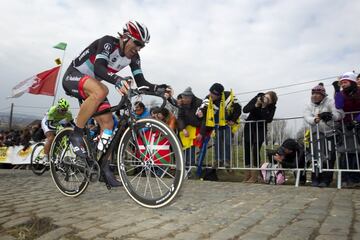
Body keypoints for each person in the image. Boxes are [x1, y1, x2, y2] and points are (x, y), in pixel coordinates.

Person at [62, 20, 172, 186]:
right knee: (102, 90)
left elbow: (141, 81)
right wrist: (118, 80)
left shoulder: (134, 57)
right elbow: (99, 67)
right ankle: (76, 134)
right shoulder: (108, 42)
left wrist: (158, 88)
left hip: (93, 86)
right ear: (126, 37)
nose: (138, 48)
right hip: (74, 75)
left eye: (142, 46)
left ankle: (103, 166)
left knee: (108, 125)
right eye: (137, 43)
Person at [303, 83, 344, 187]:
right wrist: (314, 119)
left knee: (329, 157)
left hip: (330, 134)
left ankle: (326, 179)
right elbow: (306, 116)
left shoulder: (330, 101)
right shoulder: (309, 105)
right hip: (316, 135)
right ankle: (315, 178)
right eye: (313, 94)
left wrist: (331, 116)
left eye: (317, 94)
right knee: (315, 157)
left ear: (323, 95)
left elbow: (339, 113)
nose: (314, 96)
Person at [197, 83, 242, 169]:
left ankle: (227, 161)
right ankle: (218, 160)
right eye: (210, 92)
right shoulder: (207, 98)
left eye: (213, 94)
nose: (211, 95)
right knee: (217, 142)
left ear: (219, 95)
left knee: (227, 142)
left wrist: (233, 119)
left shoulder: (229, 96)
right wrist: (201, 112)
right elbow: (203, 107)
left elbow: (238, 108)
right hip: (216, 124)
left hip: (227, 123)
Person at [243, 91, 277, 183]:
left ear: (271, 102)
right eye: (265, 97)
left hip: (261, 128)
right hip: (249, 126)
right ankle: (247, 174)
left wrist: (264, 107)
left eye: (268, 99)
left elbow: (268, 119)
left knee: (255, 148)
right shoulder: (257, 98)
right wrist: (256, 104)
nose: (264, 99)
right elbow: (245, 109)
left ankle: (255, 175)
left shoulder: (272, 107)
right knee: (246, 148)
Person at [333, 72, 360, 187]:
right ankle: (345, 178)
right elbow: (339, 106)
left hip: (357, 124)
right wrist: (337, 90)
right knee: (345, 152)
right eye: (342, 82)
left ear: (352, 82)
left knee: (357, 152)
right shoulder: (342, 93)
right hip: (345, 125)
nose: (343, 84)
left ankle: (356, 178)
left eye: (345, 82)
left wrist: (356, 121)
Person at [177, 87, 203, 173]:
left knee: (192, 149)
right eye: (182, 98)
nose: (183, 100)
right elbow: (180, 117)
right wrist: (183, 129)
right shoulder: (182, 104)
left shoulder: (199, 103)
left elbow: (204, 119)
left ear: (190, 98)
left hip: (196, 129)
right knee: (184, 149)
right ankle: (184, 169)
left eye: (185, 98)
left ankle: (191, 169)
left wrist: (202, 132)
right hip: (185, 130)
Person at [40, 98, 73, 164]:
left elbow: (72, 124)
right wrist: (58, 129)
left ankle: (58, 156)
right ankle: (45, 156)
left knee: (62, 139)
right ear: (58, 108)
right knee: (51, 138)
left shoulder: (68, 113)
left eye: (65, 110)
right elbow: (49, 126)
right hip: (47, 122)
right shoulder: (53, 110)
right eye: (62, 110)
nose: (64, 112)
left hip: (57, 123)